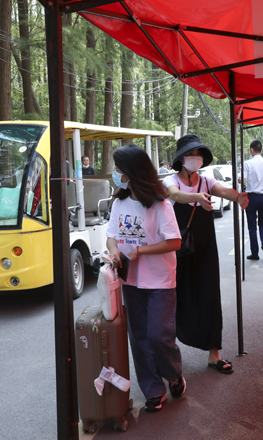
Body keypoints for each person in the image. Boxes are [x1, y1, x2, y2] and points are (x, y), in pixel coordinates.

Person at [105, 144, 185, 413]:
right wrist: (114, 251)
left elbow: (174, 242)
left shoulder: (161, 205)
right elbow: (111, 236)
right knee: (139, 337)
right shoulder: (119, 203)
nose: (115, 173)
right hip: (130, 280)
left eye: (118, 169)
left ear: (131, 172)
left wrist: (139, 251)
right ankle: (153, 390)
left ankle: (173, 374)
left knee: (159, 335)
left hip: (160, 280)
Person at [163, 134, 249, 374]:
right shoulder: (171, 180)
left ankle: (214, 354)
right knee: (173, 300)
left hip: (205, 250)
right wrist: (197, 198)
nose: (195, 158)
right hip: (177, 252)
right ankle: (169, 355)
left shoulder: (207, 181)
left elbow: (223, 191)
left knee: (210, 296)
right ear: (181, 159)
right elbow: (175, 195)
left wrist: (238, 196)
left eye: (198, 154)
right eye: (190, 154)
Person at [242, 140, 263, 260]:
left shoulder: (247, 164)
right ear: (261, 150)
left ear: (251, 150)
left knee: (252, 226)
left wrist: (240, 180)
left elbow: (243, 181)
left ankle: (255, 253)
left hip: (251, 198)